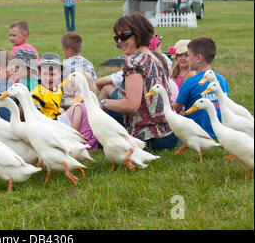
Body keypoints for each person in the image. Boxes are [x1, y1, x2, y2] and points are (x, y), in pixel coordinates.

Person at [99, 12, 178, 151]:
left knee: (104, 115)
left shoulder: (134, 62)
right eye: (117, 37)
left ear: (138, 33)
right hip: (169, 134)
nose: (119, 41)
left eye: (124, 36)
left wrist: (102, 103)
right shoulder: (154, 56)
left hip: (151, 139)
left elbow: (131, 105)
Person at [173, 37, 229, 138]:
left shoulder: (190, 83)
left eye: (189, 56)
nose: (187, 59)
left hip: (197, 135)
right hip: (221, 133)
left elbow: (175, 111)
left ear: (198, 58)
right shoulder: (222, 80)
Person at [58, 71, 100, 151]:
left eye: (74, 92)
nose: (71, 95)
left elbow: (74, 131)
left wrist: (63, 115)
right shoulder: (95, 106)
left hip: (78, 146)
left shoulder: (78, 107)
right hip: (92, 145)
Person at [60, 32, 97, 107]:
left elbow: (60, 87)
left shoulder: (64, 65)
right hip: (88, 101)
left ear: (69, 50)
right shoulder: (89, 64)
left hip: (70, 102)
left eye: (63, 50)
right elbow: (94, 83)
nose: (63, 53)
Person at [31, 53, 64, 120]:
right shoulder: (36, 94)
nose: (49, 78)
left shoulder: (57, 90)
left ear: (60, 73)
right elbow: (36, 118)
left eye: (53, 74)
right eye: (45, 74)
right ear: (39, 73)